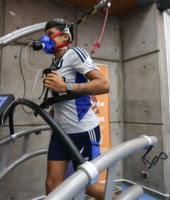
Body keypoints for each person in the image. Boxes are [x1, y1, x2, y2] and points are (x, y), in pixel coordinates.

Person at [40, 18, 113, 200]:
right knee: (52, 183)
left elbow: (103, 85)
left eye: (50, 35)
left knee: (88, 185)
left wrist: (66, 87)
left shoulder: (75, 53)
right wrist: (56, 108)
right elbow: (63, 93)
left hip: (83, 131)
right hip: (60, 132)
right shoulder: (55, 63)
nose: (45, 39)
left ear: (65, 36)